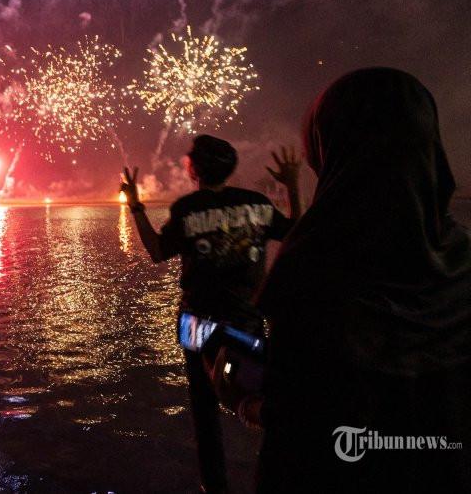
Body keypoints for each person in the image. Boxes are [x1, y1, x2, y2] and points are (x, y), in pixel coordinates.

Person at [248, 69, 470, 492]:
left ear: (326, 145)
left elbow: (295, 424)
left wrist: (243, 400)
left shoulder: (312, 267)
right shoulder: (461, 259)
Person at [120, 135, 301, 494]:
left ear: (195, 169)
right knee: (262, 401)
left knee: (204, 411)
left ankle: (213, 486)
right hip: (246, 321)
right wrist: (293, 186)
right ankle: (270, 476)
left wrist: (136, 207)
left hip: (197, 323)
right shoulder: (257, 204)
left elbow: (157, 250)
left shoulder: (189, 208)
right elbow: (296, 234)